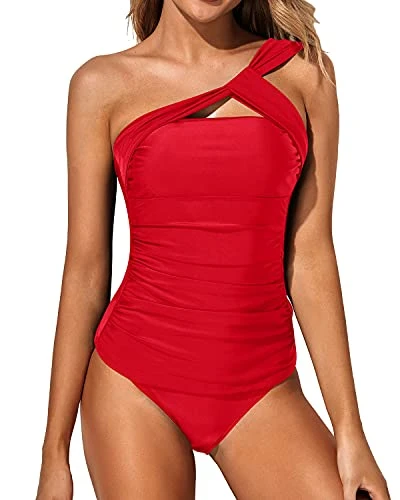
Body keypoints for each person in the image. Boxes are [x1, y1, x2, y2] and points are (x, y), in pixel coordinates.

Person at [36, 1, 391, 499]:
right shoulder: (101, 85)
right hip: (134, 378)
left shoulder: (304, 75)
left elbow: (310, 255)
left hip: (262, 384)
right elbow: (86, 271)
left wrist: (351, 433)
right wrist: (54, 454)